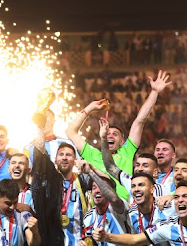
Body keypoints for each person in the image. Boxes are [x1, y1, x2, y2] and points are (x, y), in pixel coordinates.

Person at [65, 70, 171, 200]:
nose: (110, 136)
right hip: (98, 210)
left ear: (122, 142)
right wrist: (90, 108)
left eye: (115, 134)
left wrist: (154, 93)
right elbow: (71, 131)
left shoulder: (126, 152)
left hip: (123, 209)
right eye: (107, 133)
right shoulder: (92, 154)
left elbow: (140, 121)